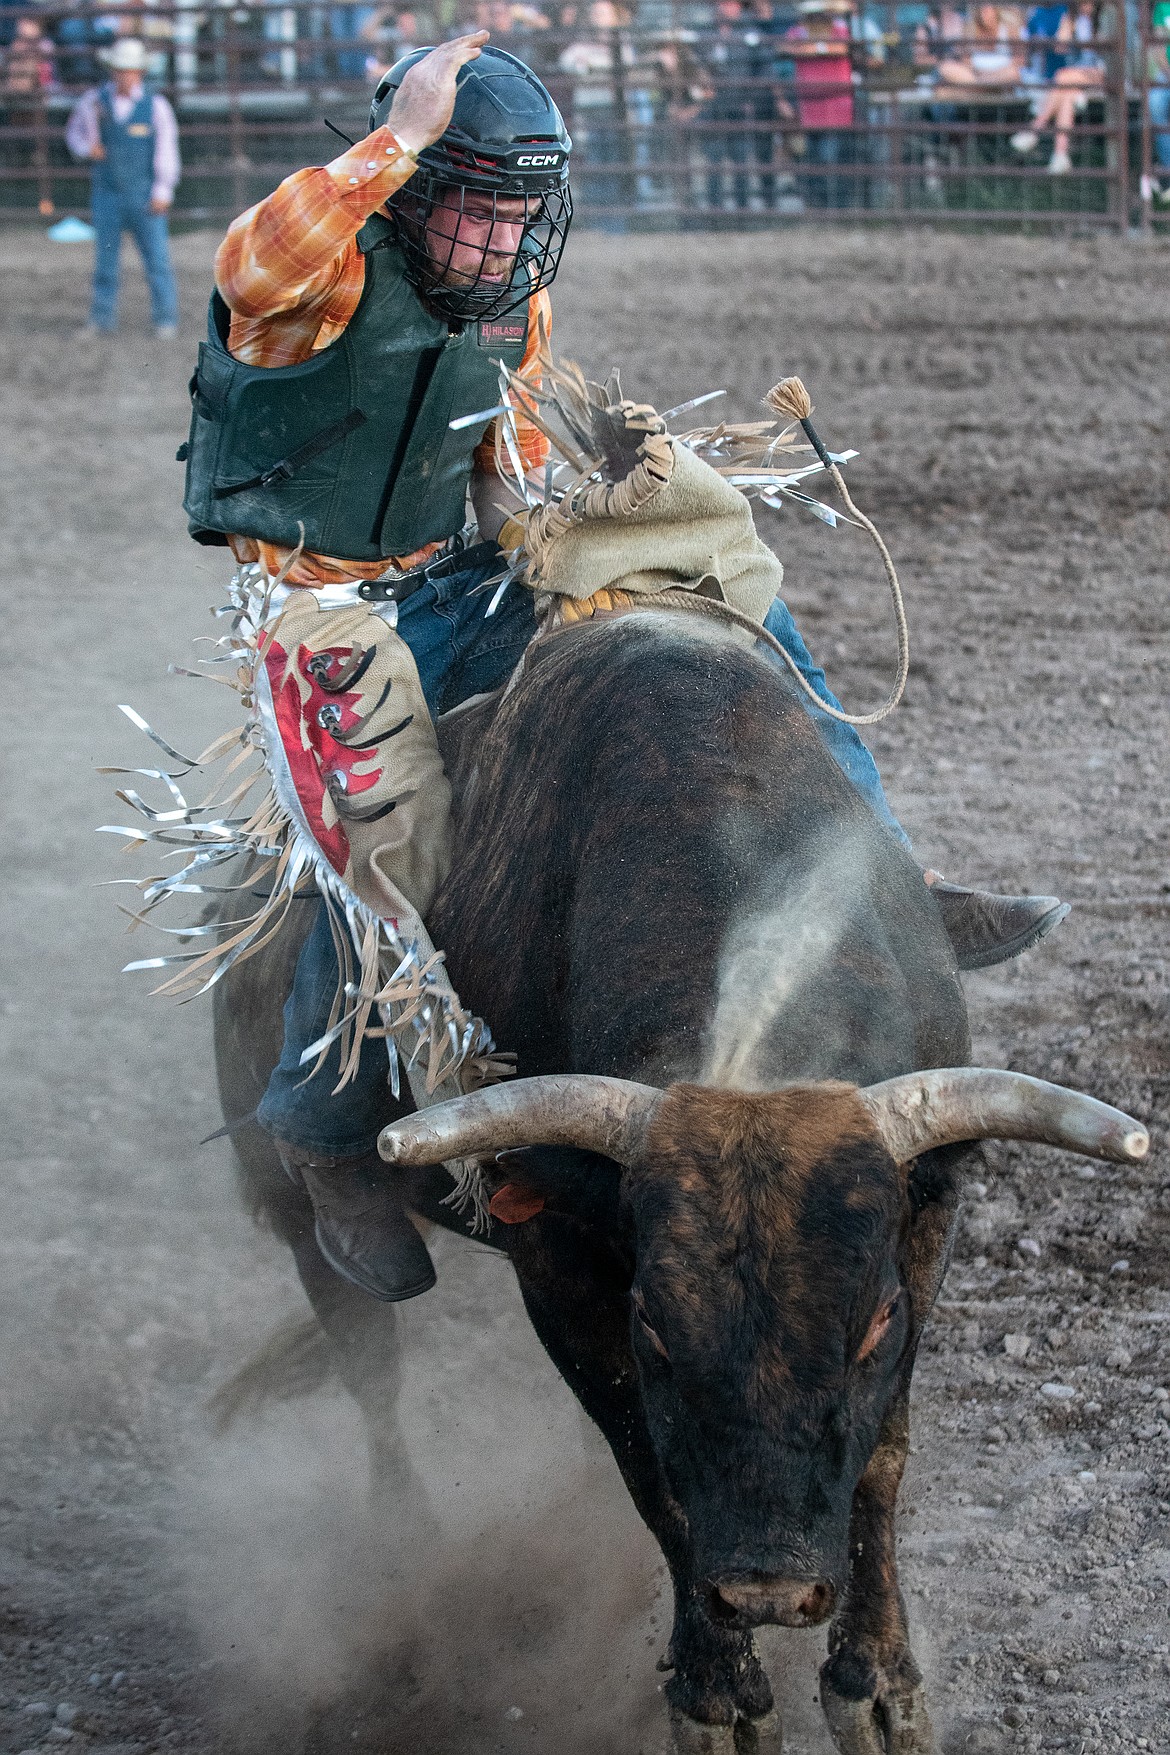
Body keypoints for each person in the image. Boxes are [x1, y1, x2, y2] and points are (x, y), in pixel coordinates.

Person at [185, 30, 1066, 1306]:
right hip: (320, 604)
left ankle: (891, 871)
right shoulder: (306, 282)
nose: (499, 242)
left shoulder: (510, 297)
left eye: (519, 214)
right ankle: (321, 1131)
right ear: (414, 188)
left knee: (726, 611)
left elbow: (499, 445)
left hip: (459, 571)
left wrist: (595, 524)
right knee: (371, 847)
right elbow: (256, 253)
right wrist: (406, 132)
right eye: (475, 208)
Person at [65, 37, 180, 335]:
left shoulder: (155, 106)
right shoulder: (93, 102)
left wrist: (162, 190)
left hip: (144, 193)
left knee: (157, 259)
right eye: (119, 69)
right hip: (107, 193)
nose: (124, 76)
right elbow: (74, 133)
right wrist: (86, 149)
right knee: (105, 261)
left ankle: (165, 317)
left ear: (140, 72)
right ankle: (102, 318)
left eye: (130, 70)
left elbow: (166, 150)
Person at [1010, 0, 1105, 170]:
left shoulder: (1105, 16)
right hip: (1075, 76)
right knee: (1067, 93)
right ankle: (1061, 155)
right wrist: (1068, 26)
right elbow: (1060, 48)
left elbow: (1104, 55)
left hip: (1102, 72)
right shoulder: (1071, 17)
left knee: (1062, 77)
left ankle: (1036, 128)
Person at [784, 0, 855, 208]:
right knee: (812, 158)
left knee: (830, 157)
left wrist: (813, 48)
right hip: (809, 106)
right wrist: (818, 48)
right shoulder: (797, 33)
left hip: (836, 106)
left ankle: (835, 207)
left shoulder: (841, 31)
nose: (817, 19)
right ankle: (818, 206)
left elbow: (841, 47)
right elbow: (789, 47)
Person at [935, 2, 1026, 91]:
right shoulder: (969, 30)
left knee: (1013, 74)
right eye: (982, 8)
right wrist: (979, 75)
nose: (985, 11)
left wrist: (990, 75)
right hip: (975, 76)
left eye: (988, 8)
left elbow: (1020, 61)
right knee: (946, 68)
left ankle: (979, 89)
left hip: (1001, 75)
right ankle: (986, 89)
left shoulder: (1010, 30)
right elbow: (965, 62)